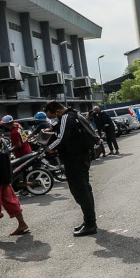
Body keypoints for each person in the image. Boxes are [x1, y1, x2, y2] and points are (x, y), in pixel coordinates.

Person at [45, 101, 98, 236]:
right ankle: (89, 221)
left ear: (57, 111)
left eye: (52, 116)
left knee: (79, 190)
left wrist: (49, 148)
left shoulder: (66, 118)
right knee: (85, 187)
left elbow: (63, 137)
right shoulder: (75, 114)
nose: (53, 119)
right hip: (83, 156)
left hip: (74, 158)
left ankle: (90, 224)